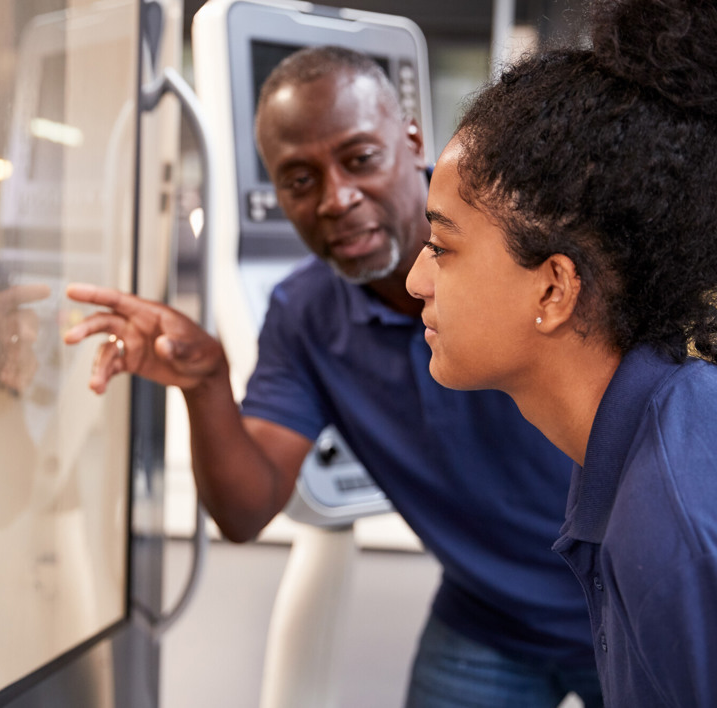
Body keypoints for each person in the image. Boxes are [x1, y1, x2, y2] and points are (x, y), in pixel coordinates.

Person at [65, 46, 603, 706]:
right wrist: (204, 383)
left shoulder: (528, 239)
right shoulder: (305, 314)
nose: (336, 198)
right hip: (490, 618)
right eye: (299, 179)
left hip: (626, 598)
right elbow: (245, 507)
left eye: (360, 159)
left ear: (411, 142)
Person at [405, 1, 717, 705]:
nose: (416, 280)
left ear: (553, 289)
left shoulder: (676, 528)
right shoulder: (629, 445)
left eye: (443, 247)